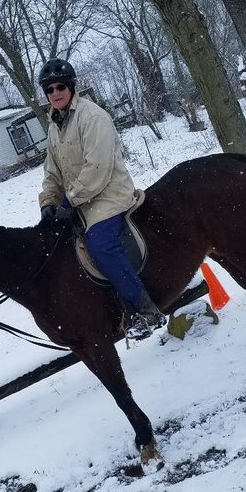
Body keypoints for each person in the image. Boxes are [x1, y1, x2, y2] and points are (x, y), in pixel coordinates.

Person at [37, 57, 165, 339]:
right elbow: (52, 171)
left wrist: (69, 200)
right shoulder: (54, 126)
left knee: (101, 245)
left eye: (60, 87)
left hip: (108, 196)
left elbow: (97, 167)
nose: (55, 93)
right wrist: (48, 202)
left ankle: (146, 310)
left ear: (70, 88)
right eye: (50, 89)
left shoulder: (92, 117)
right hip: (80, 201)